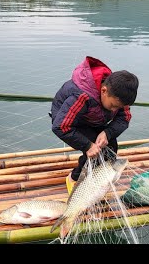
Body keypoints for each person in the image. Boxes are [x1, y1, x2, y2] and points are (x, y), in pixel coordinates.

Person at [50, 56, 139, 194]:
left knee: (110, 146)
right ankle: (73, 179)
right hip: (68, 120)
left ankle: (95, 180)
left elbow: (124, 118)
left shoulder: (119, 94)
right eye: (113, 106)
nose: (115, 110)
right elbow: (60, 127)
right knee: (94, 150)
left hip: (93, 118)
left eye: (119, 107)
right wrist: (88, 146)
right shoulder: (81, 96)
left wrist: (107, 133)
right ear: (104, 91)